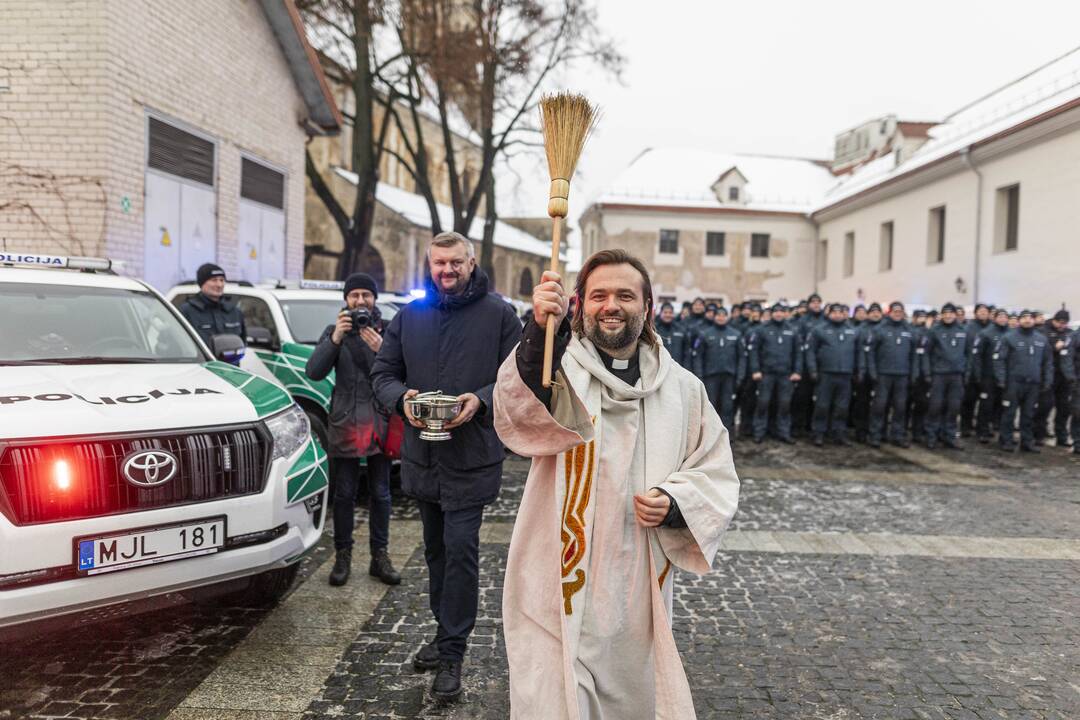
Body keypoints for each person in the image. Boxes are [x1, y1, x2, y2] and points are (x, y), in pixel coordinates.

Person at [493, 249, 740, 720]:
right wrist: (537, 333)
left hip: (633, 583)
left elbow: (715, 469)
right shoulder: (556, 370)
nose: (611, 305)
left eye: (625, 295)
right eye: (599, 295)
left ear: (647, 307)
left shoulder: (684, 389)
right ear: (580, 305)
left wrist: (674, 502)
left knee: (630, 697)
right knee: (553, 697)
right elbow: (518, 411)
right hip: (557, 571)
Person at [371, 231, 522, 701]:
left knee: (460, 551)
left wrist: (479, 400)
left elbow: (516, 381)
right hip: (423, 456)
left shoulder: (499, 314)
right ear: (429, 264)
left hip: (471, 458)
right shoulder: (410, 315)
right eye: (439, 263)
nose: (446, 271)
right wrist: (404, 400)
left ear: (471, 262)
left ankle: (453, 652)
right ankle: (442, 635)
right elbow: (383, 374)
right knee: (435, 551)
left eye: (455, 262)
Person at [304, 273, 400, 587]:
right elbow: (314, 372)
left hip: (379, 421)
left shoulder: (388, 331)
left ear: (375, 299)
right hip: (345, 421)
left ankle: (379, 556)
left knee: (381, 493)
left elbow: (403, 373)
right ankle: (342, 556)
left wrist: (383, 348)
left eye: (366, 295)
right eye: (354, 295)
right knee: (344, 493)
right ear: (346, 300)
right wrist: (334, 340)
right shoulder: (335, 332)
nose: (360, 301)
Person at [993, 309, 1053, 453]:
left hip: (1033, 384)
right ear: (1019, 320)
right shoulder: (1009, 338)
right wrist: (1001, 379)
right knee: (1009, 413)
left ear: (1034, 320)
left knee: (1029, 414)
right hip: (1014, 383)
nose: (1027, 320)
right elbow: (999, 360)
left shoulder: (1041, 339)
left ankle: (1027, 442)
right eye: (1024, 317)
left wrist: (1047, 381)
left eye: (1030, 318)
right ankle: (1006, 440)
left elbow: (1048, 362)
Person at [866, 301, 918, 448]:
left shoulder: (909, 331)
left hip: (902, 376)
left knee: (900, 407)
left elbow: (914, 355)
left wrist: (913, 374)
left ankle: (898, 435)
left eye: (900, 312)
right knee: (879, 406)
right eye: (895, 311)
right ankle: (876, 434)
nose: (897, 314)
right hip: (883, 375)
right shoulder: (879, 330)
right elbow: (870, 353)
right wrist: (873, 372)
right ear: (889, 313)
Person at [748, 302, 802, 444]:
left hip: (786, 375)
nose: (778, 314)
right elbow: (754, 351)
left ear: (785, 313)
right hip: (766, 374)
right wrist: (756, 370)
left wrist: (797, 371)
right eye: (776, 312)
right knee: (763, 403)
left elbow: (798, 353)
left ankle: (783, 432)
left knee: (784, 404)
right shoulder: (762, 330)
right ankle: (759, 432)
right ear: (771, 313)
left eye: (781, 312)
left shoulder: (792, 330)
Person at [806, 303, 858, 446]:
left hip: (845, 374)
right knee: (822, 405)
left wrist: (858, 370)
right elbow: (810, 352)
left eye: (840, 313)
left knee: (842, 407)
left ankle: (839, 433)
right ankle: (819, 433)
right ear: (829, 314)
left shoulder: (852, 331)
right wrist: (813, 370)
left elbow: (858, 353)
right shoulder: (819, 330)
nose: (837, 315)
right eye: (834, 312)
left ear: (844, 314)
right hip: (826, 374)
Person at [923, 302, 970, 449]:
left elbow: (969, 355)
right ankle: (931, 435)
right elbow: (926, 353)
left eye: (951, 313)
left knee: (954, 407)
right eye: (945, 313)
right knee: (935, 406)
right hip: (939, 375)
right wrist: (928, 373)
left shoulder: (963, 331)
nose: (948, 316)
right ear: (941, 315)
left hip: (956, 375)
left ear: (955, 315)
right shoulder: (934, 331)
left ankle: (949, 435)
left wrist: (966, 373)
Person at [694, 305, 744, 431]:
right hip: (710, 377)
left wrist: (740, 376)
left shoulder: (736, 334)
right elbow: (698, 357)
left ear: (727, 317)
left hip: (729, 377)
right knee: (710, 406)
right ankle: (709, 434)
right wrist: (699, 376)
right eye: (718, 315)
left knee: (728, 406)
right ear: (714, 317)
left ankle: (727, 433)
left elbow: (742, 357)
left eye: (723, 315)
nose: (721, 318)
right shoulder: (705, 334)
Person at [179, 263, 246, 350]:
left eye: (222, 280)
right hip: (202, 363)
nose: (219, 285)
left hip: (230, 363)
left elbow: (243, 342)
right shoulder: (187, 311)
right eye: (214, 280)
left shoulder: (234, 312)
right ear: (202, 283)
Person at [1034, 309, 1073, 446]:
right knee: (1045, 405)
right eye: (1060, 322)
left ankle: (1061, 436)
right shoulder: (1043, 331)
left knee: (1064, 407)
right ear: (1055, 320)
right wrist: (1054, 347)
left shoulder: (1069, 333)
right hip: (1049, 374)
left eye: (1065, 323)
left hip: (1064, 377)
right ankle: (1038, 434)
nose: (1062, 326)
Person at [971, 309, 1010, 443]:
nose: (1003, 319)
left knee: (1001, 405)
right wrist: (978, 375)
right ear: (995, 318)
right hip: (988, 375)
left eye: (1005, 317)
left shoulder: (1010, 334)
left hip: (1004, 376)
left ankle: (996, 428)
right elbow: (977, 357)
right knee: (986, 404)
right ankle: (982, 430)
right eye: (1000, 316)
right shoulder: (985, 333)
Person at [961, 303, 992, 436]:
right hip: (971, 370)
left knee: (986, 403)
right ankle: (965, 426)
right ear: (975, 313)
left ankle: (982, 428)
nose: (983, 313)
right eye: (980, 311)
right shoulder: (968, 329)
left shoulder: (992, 328)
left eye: (985, 311)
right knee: (969, 401)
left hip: (987, 372)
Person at [654, 302, 690, 370]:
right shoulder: (655, 330)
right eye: (665, 312)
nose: (668, 315)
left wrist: (686, 368)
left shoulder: (680, 329)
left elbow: (686, 352)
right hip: (659, 369)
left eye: (670, 313)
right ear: (661, 313)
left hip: (678, 369)